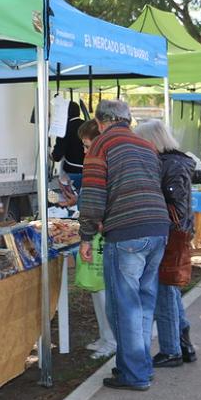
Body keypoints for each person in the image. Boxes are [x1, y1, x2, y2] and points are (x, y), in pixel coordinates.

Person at [79, 100, 170, 391]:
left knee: (124, 306)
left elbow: (92, 195)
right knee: (143, 303)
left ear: (100, 122)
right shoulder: (145, 145)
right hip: (157, 228)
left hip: (127, 232)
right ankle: (140, 367)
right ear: (127, 120)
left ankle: (134, 373)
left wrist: (86, 236)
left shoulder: (101, 145)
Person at [135, 120, 197, 367]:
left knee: (165, 291)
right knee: (169, 289)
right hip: (176, 232)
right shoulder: (176, 161)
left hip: (170, 233)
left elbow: (175, 203)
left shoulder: (168, 164)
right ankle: (182, 343)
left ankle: (172, 350)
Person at [74, 119, 118, 360]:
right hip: (97, 234)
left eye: (86, 145)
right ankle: (105, 335)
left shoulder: (105, 165)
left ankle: (112, 340)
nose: (84, 151)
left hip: (103, 235)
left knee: (104, 291)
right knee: (97, 289)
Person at [51, 101, 86, 190]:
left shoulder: (64, 129)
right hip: (89, 171)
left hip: (71, 172)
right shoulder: (87, 125)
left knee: (70, 196)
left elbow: (57, 156)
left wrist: (51, 156)